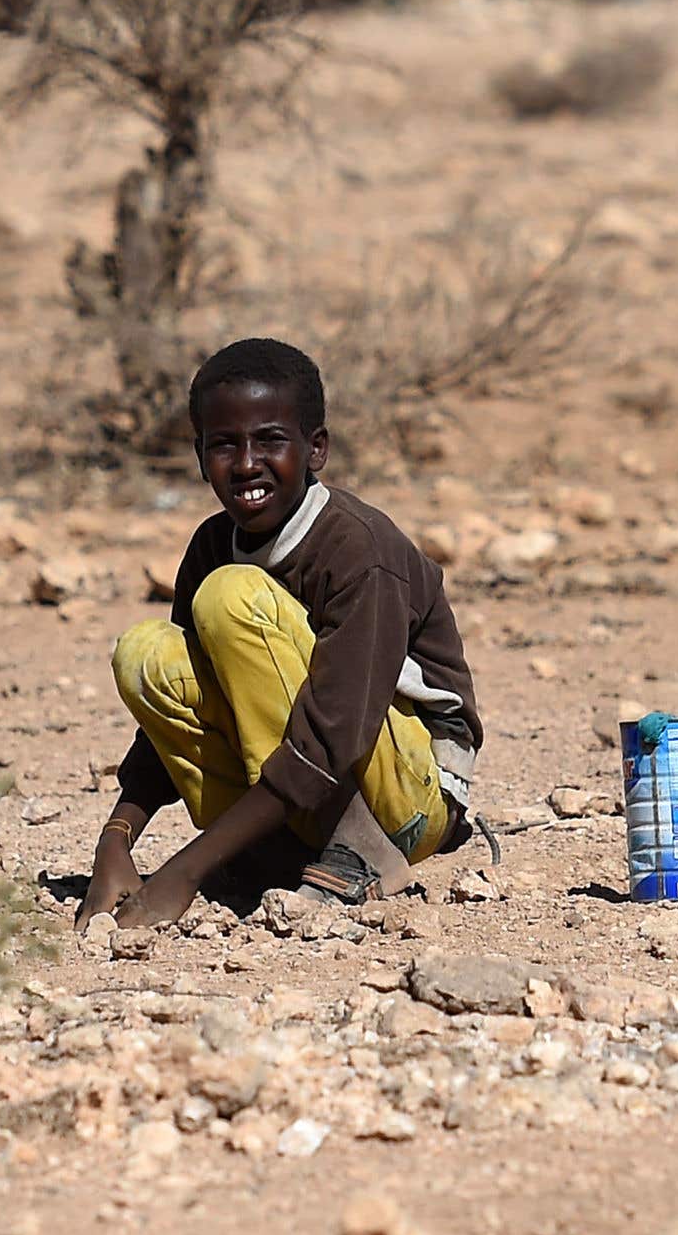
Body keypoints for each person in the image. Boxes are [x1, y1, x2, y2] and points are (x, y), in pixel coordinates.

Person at [81, 338, 484, 928]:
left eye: (270, 441)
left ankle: (360, 851)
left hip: (404, 794)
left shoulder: (357, 549)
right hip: (301, 785)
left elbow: (338, 729)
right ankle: (274, 851)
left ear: (315, 448)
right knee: (147, 653)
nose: (246, 464)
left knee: (231, 596)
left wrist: (184, 871)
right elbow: (180, 704)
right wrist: (117, 839)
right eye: (224, 445)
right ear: (199, 456)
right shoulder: (211, 545)